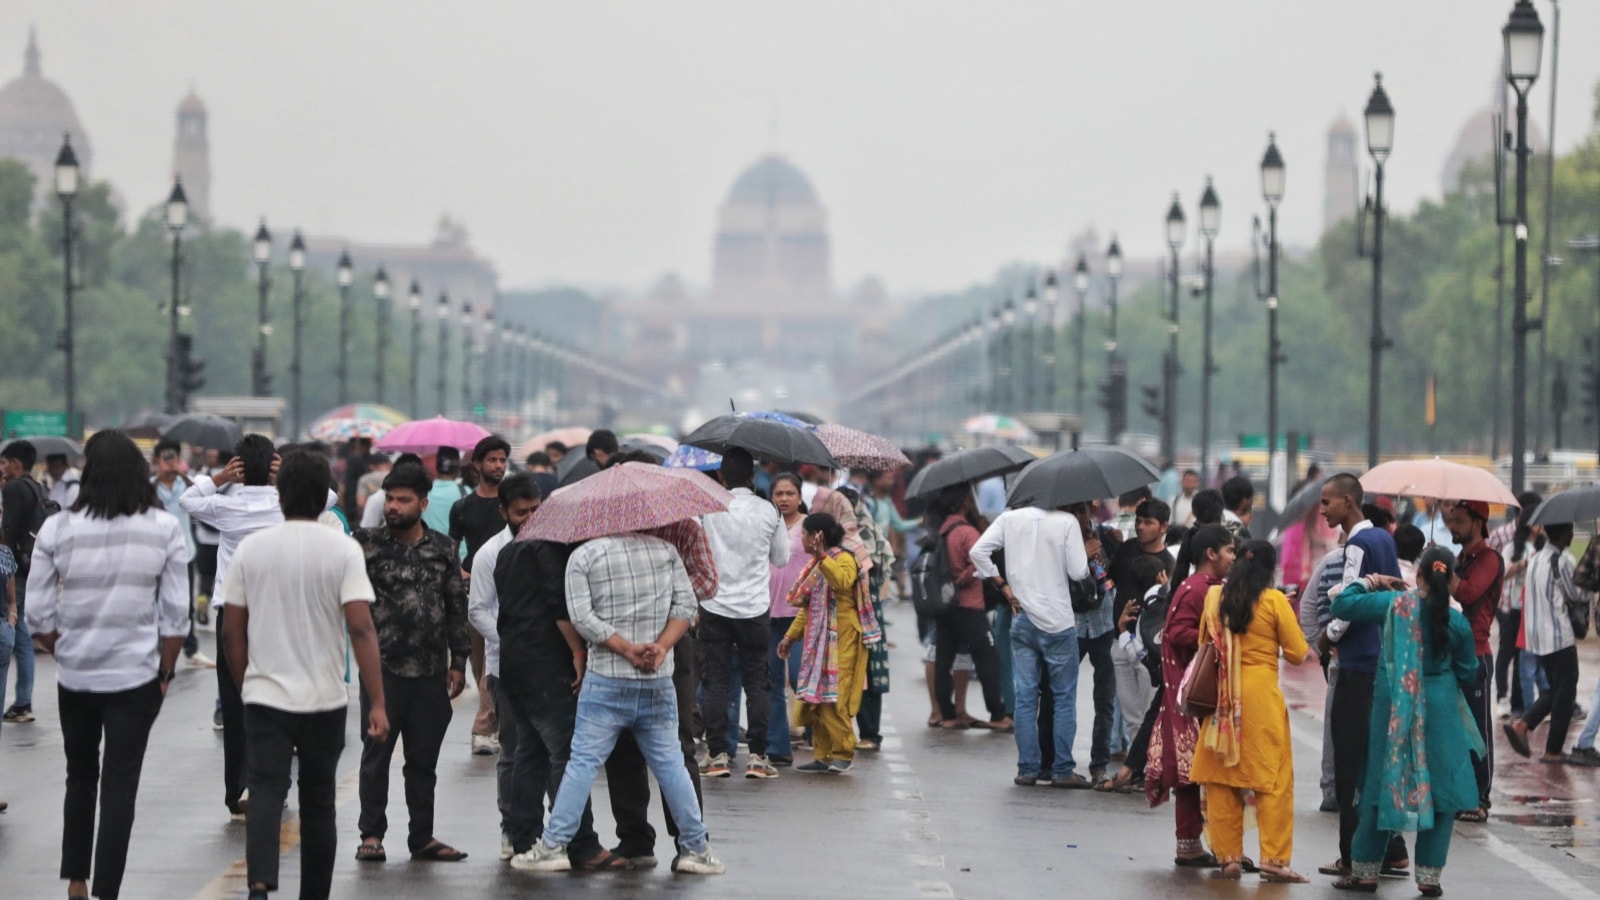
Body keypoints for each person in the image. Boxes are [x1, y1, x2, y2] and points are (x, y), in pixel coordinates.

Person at [26, 430, 189, 900]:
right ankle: (107, 891)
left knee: (80, 775)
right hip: (137, 677)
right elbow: (175, 615)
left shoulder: (59, 528)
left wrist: (66, 649)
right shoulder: (163, 528)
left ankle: (76, 879)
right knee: (121, 784)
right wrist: (165, 673)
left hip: (76, 676)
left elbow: (37, 615)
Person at [221, 447, 390, 900]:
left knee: (266, 793)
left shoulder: (252, 548)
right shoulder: (343, 549)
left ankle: (259, 886)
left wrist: (246, 685)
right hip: (324, 699)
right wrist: (376, 701)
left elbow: (232, 630)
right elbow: (360, 626)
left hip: (265, 697)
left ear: (279, 495)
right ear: (324, 497)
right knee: (318, 804)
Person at [513, 527, 724, 875]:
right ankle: (695, 848)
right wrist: (662, 646)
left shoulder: (584, 556)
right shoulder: (666, 551)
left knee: (582, 763)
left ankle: (553, 845)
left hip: (607, 680)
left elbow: (581, 617)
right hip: (657, 679)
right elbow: (686, 606)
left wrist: (626, 649)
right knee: (671, 765)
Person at [1330, 548, 1485, 896]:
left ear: (1418, 575)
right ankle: (1429, 877)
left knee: (1382, 784)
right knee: (1441, 791)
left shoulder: (1392, 604)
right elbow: (1468, 672)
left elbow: (1341, 604)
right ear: (1452, 579)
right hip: (1440, 711)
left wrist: (1372, 581)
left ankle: (1366, 872)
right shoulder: (1457, 621)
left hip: (1393, 710)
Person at [182, 434, 308, 820]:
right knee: (278, 698)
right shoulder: (287, 506)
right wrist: (287, 476)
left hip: (233, 616)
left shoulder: (225, 506)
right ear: (272, 463)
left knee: (236, 702)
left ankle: (238, 789)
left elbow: (189, 501)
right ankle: (273, 785)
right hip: (278, 612)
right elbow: (329, 500)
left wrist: (219, 478)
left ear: (238, 465)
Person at [352, 463, 471, 864]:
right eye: (389, 499)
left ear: (423, 502)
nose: (394, 506)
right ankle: (371, 834)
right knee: (376, 756)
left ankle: (422, 837)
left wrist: (460, 662)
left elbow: (456, 606)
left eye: (403, 500)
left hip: (432, 672)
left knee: (423, 762)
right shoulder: (364, 545)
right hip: (382, 672)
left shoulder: (443, 548)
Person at [1190, 541, 1310, 882]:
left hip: (1222, 698)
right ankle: (1273, 859)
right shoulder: (1273, 602)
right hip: (1260, 701)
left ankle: (1228, 857)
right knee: (1271, 781)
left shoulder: (1215, 598)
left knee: (1221, 779)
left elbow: (1204, 640)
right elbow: (1298, 652)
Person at [1314, 473, 1409, 880]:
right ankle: (1389, 848)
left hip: (1357, 665)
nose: (1323, 510)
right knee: (1377, 763)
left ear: (1349, 502)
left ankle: (1353, 856)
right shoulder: (1385, 540)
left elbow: (1348, 601)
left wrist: (1326, 637)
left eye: (1327, 502)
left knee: (1350, 765)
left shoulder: (1356, 544)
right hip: (1384, 663)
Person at [971, 498, 1091, 788]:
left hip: (1021, 616)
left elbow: (978, 552)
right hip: (1058, 622)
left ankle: (1027, 768)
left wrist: (1003, 586)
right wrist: (1082, 554)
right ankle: (1062, 769)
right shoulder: (1067, 521)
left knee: (1025, 696)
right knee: (1063, 697)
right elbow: (1078, 572)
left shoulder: (1009, 519)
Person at [463, 472, 542, 858]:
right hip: (504, 667)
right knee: (513, 752)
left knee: (550, 752)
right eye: (520, 512)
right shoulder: (489, 554)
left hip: (547, 667)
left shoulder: (549, 545)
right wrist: (510, 640)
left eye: (534, 510)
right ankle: (511, 829)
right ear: (503, 511)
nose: (528, 518)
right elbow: (477, 610)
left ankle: (547, 831)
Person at [1146, 524, 1235, 865]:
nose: (1232, 557)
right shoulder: (1197, 589)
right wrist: (1215, 640)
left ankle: (1202, 844)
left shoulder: (1205, 586)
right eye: (1229, 551)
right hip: (1196, 696)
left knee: (1197, 772)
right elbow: (1177, 633)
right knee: (1195, 773)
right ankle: (1194, 845)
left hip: (1198, 694)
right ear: (1211, 554)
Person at [698, 448, 789, 779]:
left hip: (713, 605)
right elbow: (780, 558)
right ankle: (758, 757)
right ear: (752, 477)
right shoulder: (768, 511)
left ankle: (718, 754)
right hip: (754, 608)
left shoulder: (707, 508)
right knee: (757, 681)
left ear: (721, 476)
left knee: (716, 680)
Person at [777, 512, 883, 773]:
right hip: (819, 640)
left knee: (836, 697)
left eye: (804, 533)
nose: (801, 538)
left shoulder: (843, 558)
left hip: (844, 638)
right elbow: (810, 606)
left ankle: (843, 752)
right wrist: (790, 637)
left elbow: (843, 581)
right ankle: (823, 755)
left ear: (817, 537)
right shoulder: (818, 563)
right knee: (816, 698)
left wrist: (823, 556)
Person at [1503, 521, 1590, 763]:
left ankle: (1523, 724)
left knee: (1556, 688)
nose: (1573, 533)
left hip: (1538, 637)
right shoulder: (1562, 561)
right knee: (1567, 689)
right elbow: (1577, 594)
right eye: (1570, 530)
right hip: (1559, 635)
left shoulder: (1536, 559)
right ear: (1562, 535)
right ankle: (1552, 750)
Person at [1100, 498, 1172, 792]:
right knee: (1131, 714)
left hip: (1150, 654)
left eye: (1148, 523)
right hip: (1121, 642)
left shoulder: (1170, 566)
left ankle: (1150, 769)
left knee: (1148, 715)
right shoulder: (1128, 550)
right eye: (1139, 522)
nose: (1140, 527)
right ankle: (1137, 767)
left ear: (1163, 527)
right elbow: (1108, 581)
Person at [927, 485, 1010, 731]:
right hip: (969, 605)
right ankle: (997, 714)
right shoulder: (966, 532)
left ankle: (948, 715)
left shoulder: (942, 529)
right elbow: (978, 563)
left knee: (944, 658)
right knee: (988, 657)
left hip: (945, 605)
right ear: (964, 503)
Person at [452, 434, 513, 756]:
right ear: (477, 465)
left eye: (503, 460)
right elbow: (453, 546)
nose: (499, 466)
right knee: (483, 663)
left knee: (499, 661)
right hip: (477, 595)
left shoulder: (510, 502)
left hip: (511, 591)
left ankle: (485, 725)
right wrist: (462, 571)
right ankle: (492, 722)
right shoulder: (463, 507)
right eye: (493, 460)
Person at [1445, 499, 1502, 819]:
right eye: (1452, 519)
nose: (1453, 526)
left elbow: (1467, 593)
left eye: (1460, 520)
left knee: (1477, 730)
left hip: (1476, 655)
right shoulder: (1461, 558)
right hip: (1452, 653)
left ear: (1479, 522)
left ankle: (1480, 799)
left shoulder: (1488, 558)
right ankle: (1460, 793)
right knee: (1454, 729)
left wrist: (1441, 567)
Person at [766, 473, 809, 766]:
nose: (783, 499)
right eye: (778, 493)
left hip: (800, 615)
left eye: (789, 493)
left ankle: (819, 731)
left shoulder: (811, 526)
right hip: (767, 612)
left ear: (800, 496)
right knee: (770, 681)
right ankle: (778, 747)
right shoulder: (766, 524)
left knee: (799, 677)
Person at [0, 439, 44, 724]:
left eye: (4, 462)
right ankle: (23, 700)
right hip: (30, 567)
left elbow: (8, 531)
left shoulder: (15, 488)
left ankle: (23, 700)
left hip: (13, 570)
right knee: (21, 631)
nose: (2, 468)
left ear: (16, 463)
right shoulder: (37, 487)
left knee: (20, 634)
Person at [1490, 493, 1543, 720]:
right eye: (1538, 521)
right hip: (1511, 607)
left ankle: (1518, 702)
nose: (1541, 526)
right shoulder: (1513, 546)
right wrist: (1523, 564)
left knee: (1525, 654)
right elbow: (1501, 571)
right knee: (1508, 651)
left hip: (1532, 608)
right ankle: (1503, 697)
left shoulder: (1543, 547)